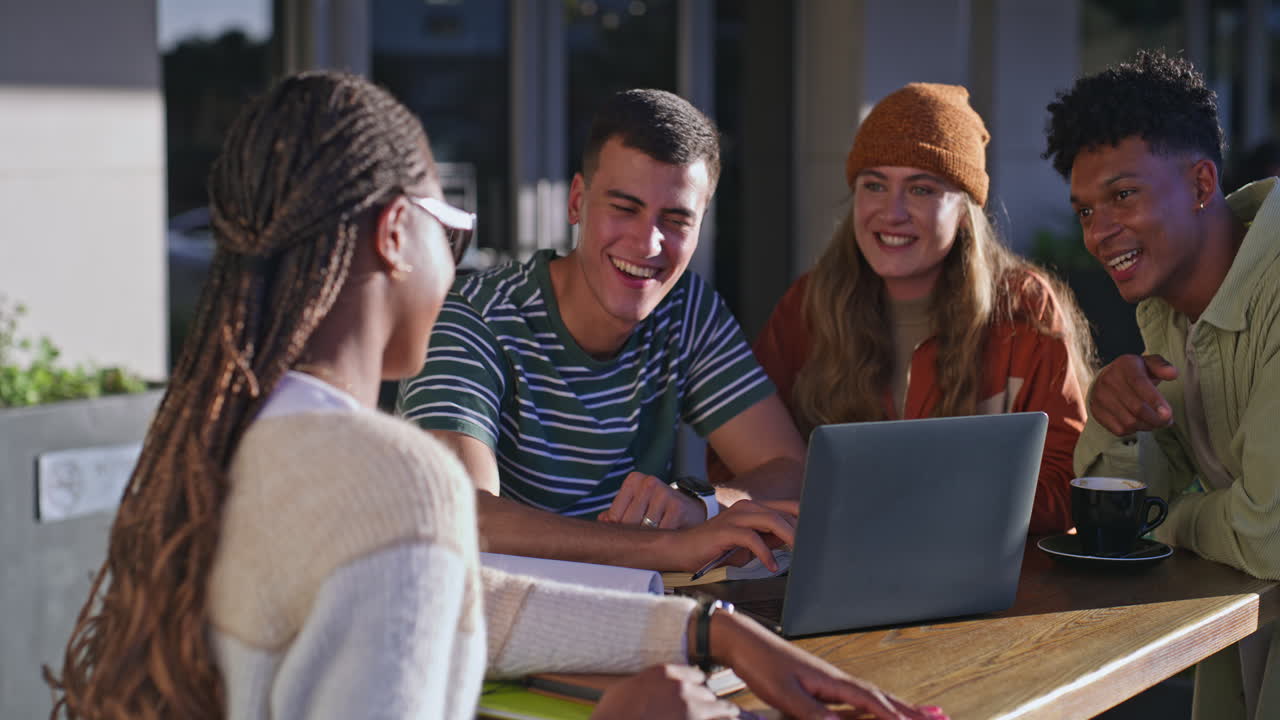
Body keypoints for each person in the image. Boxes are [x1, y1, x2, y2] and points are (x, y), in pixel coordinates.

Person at [45, 73, 944, 720]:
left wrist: (710, 635)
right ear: (398, 235)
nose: (462, 261)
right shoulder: (391, 474)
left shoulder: (254, 434)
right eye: (454, 227)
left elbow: (468, 603)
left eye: (676, 219)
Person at [398, 89, 808, 570]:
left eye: (676, 220)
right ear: (577, 202)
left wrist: (701, 506)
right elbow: (463, 516)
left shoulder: (686, 308)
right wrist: (669, 547)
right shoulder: (471, 318)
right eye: (625, 208)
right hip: (493, 623)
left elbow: (790, 470)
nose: (648, 242)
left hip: (639, 608)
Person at [708, 82, 1094, 535]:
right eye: (874, 184)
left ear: (965, 208)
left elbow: (1067, 484)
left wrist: (921, 506)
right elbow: (735, 465)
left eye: (922, 190)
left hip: (985, 579)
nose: (891, 213)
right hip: (835, 566)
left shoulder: (1023, 309)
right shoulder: (811, 304)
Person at [1044, 50, 1279, 720]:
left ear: (1202, 184)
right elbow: (1112, 524)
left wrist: (1171, 525)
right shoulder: (1168, 314)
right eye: (1085, 210)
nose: (1099, 232)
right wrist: (1114, 418)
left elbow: (1270, 533)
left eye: (1123, 195)